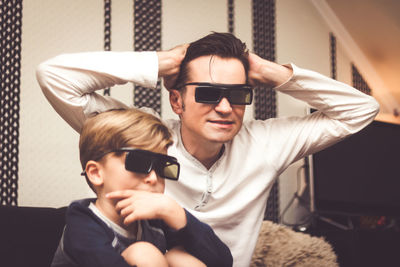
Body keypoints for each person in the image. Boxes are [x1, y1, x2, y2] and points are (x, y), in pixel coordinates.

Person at [37, 32, 379, 266]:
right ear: (177, 100)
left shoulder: (267, 144)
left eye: (238, 94)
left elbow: (361, 110)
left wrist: (270, 72)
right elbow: (53, 76)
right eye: (207, 93)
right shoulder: (145, 139)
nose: (226, 108)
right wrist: (159, 63)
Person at [50, 109, 233, 267]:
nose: (153, 177)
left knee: (180, 258)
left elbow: (222, 262)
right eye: (139, 163)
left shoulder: (153, 221)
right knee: (143, 253)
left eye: (162, 166)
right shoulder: (82, 224)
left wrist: (177, 215)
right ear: (96, 173)